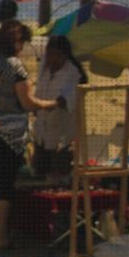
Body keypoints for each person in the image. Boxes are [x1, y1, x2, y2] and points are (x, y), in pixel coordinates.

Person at [0, 21, 60, 249]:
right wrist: (51, 104)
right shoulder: (15, 67)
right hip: (9, 134)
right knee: (4, 185)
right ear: (16, 43)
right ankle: (1, 236)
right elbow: (27, 103)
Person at [32, 35, 86, 180]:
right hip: (41, 135)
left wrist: (41, 104)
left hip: (61, 138)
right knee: (39, 175)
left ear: (64, 55)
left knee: (57, 178)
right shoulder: (44, 68)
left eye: (56, 55)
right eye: (49, 54)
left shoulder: (73, 74)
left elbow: (63, 100)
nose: (52, 59)